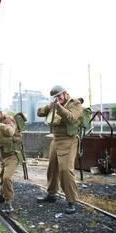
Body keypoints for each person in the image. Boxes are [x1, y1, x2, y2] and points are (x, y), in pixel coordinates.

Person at [36, 85, 83, 214]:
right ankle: (51, 194)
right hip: (56, 139)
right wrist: (49, 107)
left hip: (69, 139)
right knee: (52, 168)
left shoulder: (75, 103)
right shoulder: (55, 104)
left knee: (65, 170)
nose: (58, 98)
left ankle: (72, 201)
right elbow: (39, 112)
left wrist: (59, 107)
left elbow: (72, 118)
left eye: (59, 96)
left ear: (65, 93)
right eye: (55, 97)